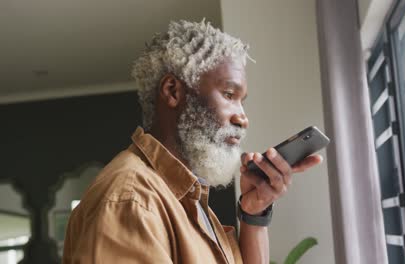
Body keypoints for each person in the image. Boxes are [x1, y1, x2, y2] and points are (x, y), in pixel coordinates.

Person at [62, 19, 322, 264]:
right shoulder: (132, 200)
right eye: (229, 94)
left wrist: (254, 213)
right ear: (173, 92)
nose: (243, 118)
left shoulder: (186, 196)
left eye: (242, 100)